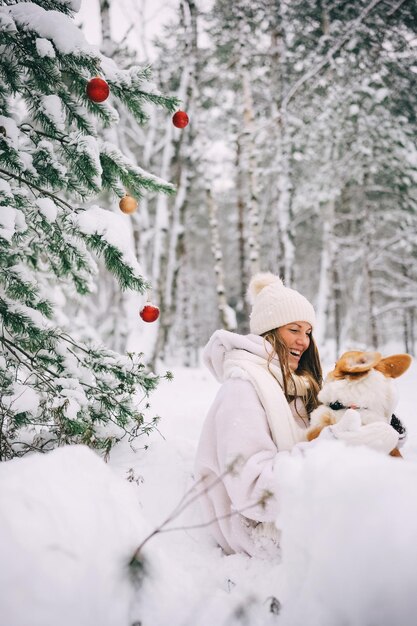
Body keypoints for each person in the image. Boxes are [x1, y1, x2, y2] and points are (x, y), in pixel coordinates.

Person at [194, 272, 400, 558]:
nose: (303, 341)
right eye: (294, 329)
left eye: (308, 332)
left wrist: (372, 428)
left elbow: (313, 438)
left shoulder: (297, 385)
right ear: (270, 330)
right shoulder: (242, 389)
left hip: (296, 514)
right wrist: (335, 444)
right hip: (257, 533)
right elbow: (253, 491)